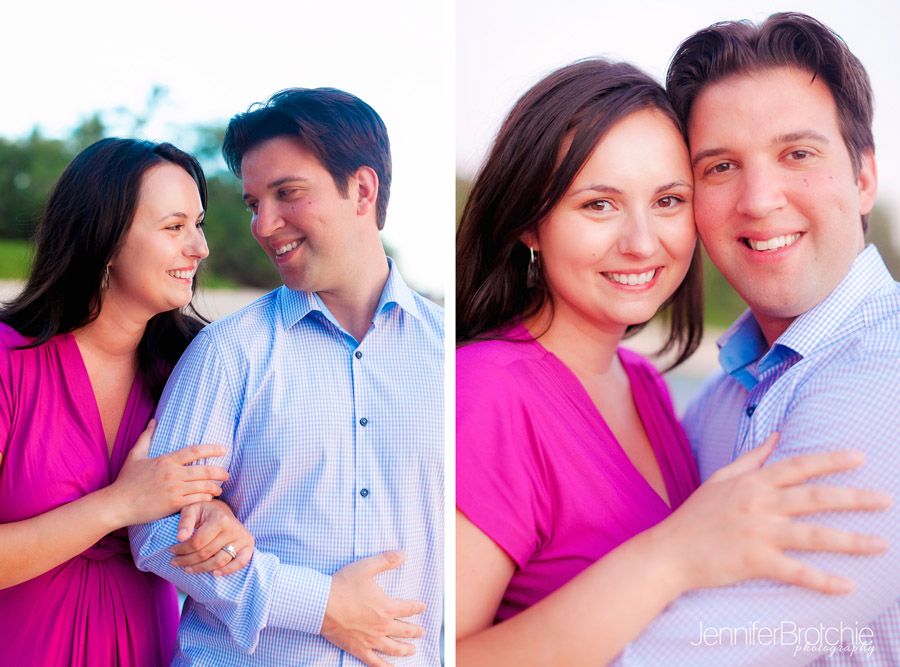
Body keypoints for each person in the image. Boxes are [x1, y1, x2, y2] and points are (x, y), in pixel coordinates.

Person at [455, 58, 892, 666]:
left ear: (865, 176)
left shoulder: (649, 391)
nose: (640, 241)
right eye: (598, 205)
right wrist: (669, 554)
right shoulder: (485, 391)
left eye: (667, 199)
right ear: (531, 221)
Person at [610, 12, 900, 665]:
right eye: (720, 167)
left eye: (798, 153)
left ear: (862, 179)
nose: (759, 198)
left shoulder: (888, 375)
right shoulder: (713, 404)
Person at [129, 88, 443, 666]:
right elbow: (153, 529)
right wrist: (318, 604)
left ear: (363, 190)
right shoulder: (227, 353)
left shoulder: (453, 360)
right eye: (253, 204)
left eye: (287, 194)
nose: (264, 225)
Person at [0, 137, 254, 667]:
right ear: (107, 240)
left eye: (199, 224)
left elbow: (234, 507)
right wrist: (119, 503)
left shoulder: (194, 370)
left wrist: (221, 518)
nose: (200, 247)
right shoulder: (8, 362)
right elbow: (137, 500)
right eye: (174, 226)